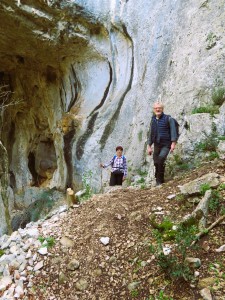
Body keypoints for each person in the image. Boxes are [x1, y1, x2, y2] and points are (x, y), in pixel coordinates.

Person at [147, 102, 178, 186]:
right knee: (156, 162)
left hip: (166, 144)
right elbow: (151, 133)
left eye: (159, 108)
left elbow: (173, 131)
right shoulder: (153, 119)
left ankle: (159, 181)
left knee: (161, 159)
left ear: (162, 109)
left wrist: (173, 143)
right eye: (156, 108)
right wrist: (149, 146)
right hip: (157, 144)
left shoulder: (168, 119)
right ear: (154, 110)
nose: (158, 109)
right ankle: (159, 179)